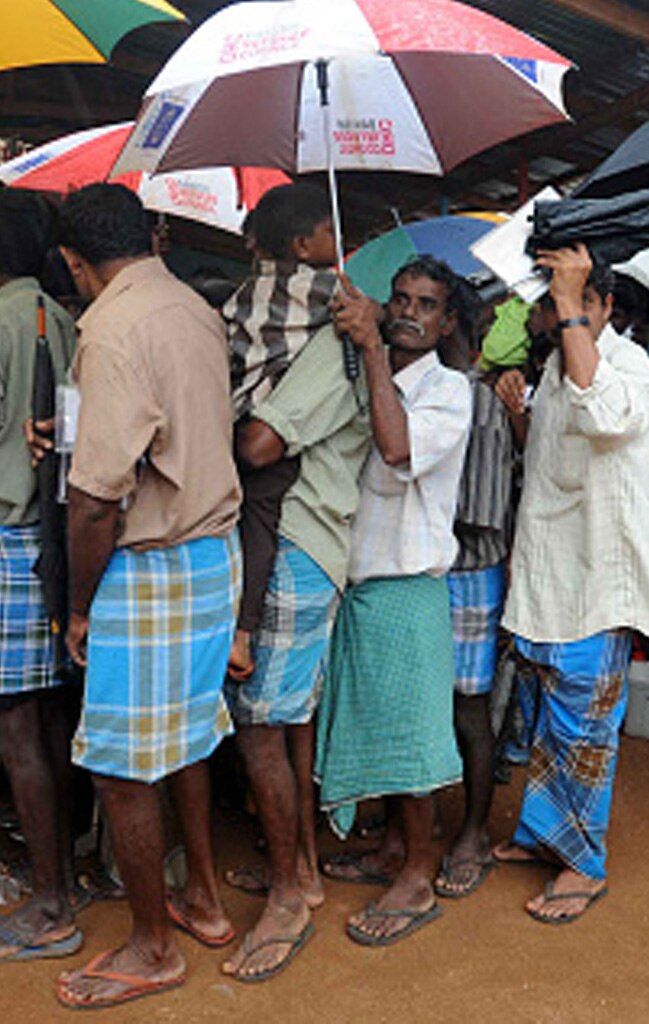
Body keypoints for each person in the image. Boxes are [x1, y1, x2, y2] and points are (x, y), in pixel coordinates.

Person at [50, 185, 242, 1010]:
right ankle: (200, 896)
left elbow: (95, 499)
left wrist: (81, 606)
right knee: (188, 741)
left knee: (124, 771)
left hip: (150, 566)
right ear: (149, 234)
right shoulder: (194, 306)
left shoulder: (112, 329)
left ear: (75, 263)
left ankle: (152, 946)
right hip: (212, 555)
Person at [492, 245, 649, 924]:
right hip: (550, 573)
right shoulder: (557, 361)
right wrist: (518, 411)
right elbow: (547, 458)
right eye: (554, 301)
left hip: (598, 580)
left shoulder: (628, 366)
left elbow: (603, 418)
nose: (556, 314)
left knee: (583, 724)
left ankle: (583, 863)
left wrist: (568, 307)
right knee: (547, 719)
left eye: (573, 301)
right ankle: (547, 836)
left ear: (603, 307)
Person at [219, 224, 372, 981]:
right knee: (292, 718)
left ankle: (287, 893)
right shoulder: (320, 334)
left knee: (257, 724)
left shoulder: (326, 347)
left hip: (299, 546)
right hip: (306, 544)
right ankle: (304, 867)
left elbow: (258, 449)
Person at [314, 257, 472, 946]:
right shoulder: (360, 368)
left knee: (412, 742)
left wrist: (374, 347)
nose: (410, 311)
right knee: (376, 724)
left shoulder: (450, 391)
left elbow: (397, 447)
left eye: (426, 304)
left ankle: (417, 874)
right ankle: (388, 855)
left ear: (447, 323)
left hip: (408, 585)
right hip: (356, 583)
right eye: (400, 298)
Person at [0, 190, 78, 962]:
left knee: (11, 730)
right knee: (46, 720)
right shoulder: (64, 313)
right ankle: (66, 876)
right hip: (49, 538)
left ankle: (51, 903)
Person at [222, 184, 339, 683]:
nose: (339, 239)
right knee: (261, 524)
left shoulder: (244, 292)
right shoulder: (331, 292)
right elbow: (368, 316)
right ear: (302, 246)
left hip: (230, 418)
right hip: (268, 427)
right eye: (331, 231)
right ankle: (243, 632)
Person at [434, 283, 519, 899]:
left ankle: (472, 831)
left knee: (469, 711)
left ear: (453, 322)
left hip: (466, 571)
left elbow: (482, 512)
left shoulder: (477, 402)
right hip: (426, 571)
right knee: (418, 704)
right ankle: (404, 832)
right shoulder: (418, 390)